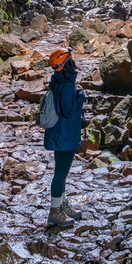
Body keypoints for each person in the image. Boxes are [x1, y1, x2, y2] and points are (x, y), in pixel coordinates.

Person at [45, 47, 86, 227]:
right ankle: (55, 212)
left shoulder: (57, 80)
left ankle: (62, 205)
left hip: (57, 132)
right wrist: (81, 96)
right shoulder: (68, 84)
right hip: (65, 134)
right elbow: (69, 110)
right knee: (60, 174)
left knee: (61, 172)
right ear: (68, 63)